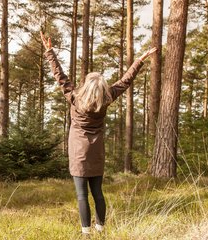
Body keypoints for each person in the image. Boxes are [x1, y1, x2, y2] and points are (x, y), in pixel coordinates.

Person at [41, 32, 157, 235]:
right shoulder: (107, 98)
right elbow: (125, 81)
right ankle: (101, 229)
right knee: (98, 193)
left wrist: (50, 51)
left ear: (86, 85)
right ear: (102, 88)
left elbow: (59, 76)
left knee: (81, 195)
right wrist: (140, 59)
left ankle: (86, 232)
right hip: (97, 152)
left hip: (79, 151)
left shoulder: (75, 97)